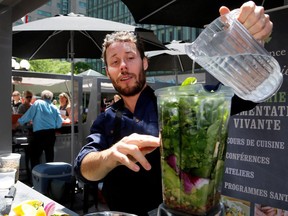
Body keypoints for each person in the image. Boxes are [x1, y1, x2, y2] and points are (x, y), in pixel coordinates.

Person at [74, 2, 273, 215]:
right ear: (107, 71)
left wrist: (253, 46)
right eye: (115, 62)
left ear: (145, 63)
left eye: (130, 58)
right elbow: (83, 169)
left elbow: (248, 93)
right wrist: (110, 155)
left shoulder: (179, 102)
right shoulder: (105, 120)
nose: (123, 65)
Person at [15, 90, 63, 170]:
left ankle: (36, 176)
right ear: (51, 98)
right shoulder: (54, 107)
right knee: (49, 158)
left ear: (42, 97)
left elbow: (28, 116)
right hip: (51, 134)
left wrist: (17, 124)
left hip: (39, 134)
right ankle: (49, 176)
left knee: (35, 157)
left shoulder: (38, 103)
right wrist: (52, 124)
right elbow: (59, 123)